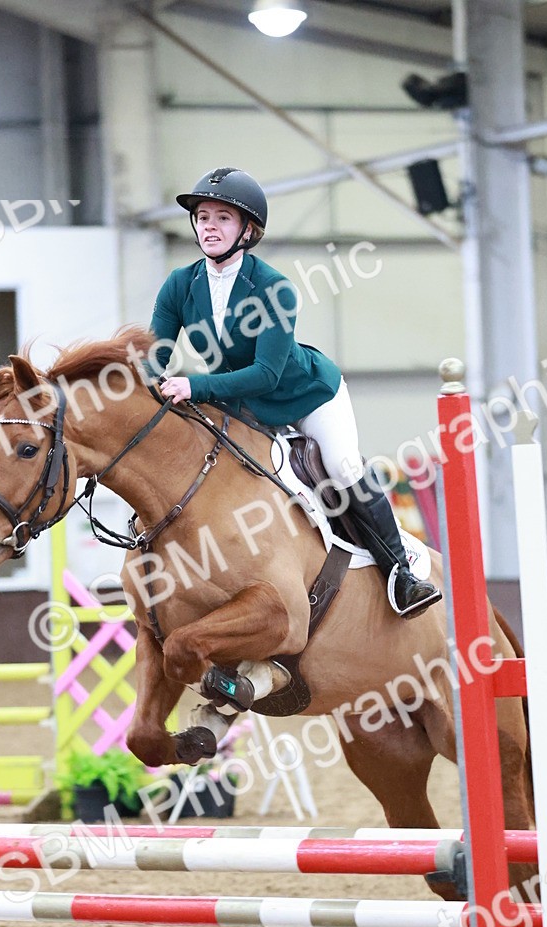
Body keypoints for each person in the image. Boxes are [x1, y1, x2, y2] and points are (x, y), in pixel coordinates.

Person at [149, 166, 441, 619]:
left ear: (248, 230)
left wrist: (195, 385)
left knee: (343, 468)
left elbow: (265, 374)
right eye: (203, 216)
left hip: (307, 397)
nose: (209, 226)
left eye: (222, 218)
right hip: (240, 406)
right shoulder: (179, 286)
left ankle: (402, 572)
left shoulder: (274, 289)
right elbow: (155, 356)